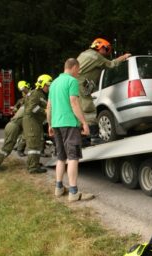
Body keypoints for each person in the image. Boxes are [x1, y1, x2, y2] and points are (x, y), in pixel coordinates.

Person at [47, 58, 94, 202]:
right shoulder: (72, 81)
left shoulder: (54, 83)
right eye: (78, 69)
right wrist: (84, 123)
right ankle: (73, 192)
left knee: (61, 157)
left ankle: (59, 188)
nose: (78, 72)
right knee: (73, 157)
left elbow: (48, 106)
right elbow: (74, 102)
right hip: (69, 124)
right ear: (74, 67)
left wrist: (50, 124)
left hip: (56, 124)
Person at [77, 38, 131, 143]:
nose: (106, 53)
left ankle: (82, 139)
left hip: (75, 84)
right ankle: (94, 137)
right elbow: (111, 64)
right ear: (100, 47)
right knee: (89, 109)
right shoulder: (96, 56)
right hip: (81, 84)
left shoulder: (84, 54)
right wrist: (123, 57)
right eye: (106, 50)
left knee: (78, 110)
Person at [23, 74, 52, 173]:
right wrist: (45, 112)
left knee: (38, 142)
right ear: (42, 84)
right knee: (34, 143)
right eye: (47, 85)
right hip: (31, 121)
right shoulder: (35, 94)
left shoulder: (40, 94)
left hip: (35, 121)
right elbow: (32, 108)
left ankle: (34, 163)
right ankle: (33, 168)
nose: (49, 87)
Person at [0, 106, 26, 171]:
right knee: (6, 150)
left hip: (10, 125)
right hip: (14, 128)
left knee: (4, 148)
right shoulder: (31, 108)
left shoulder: (23, 106)